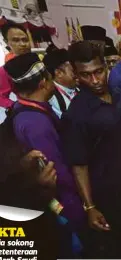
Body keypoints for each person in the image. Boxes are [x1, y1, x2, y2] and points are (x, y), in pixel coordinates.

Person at [62, 41, 121, 258]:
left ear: (106, 66)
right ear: (76, 75)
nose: (95, 80)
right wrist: (90, 207)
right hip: (104, 194)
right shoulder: (77, 114)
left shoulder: (117, 95)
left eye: (98, 71)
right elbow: (79, 164)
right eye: (86, 75)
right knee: (109, 248)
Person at [4, 53, 86, 257]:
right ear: (43, 83)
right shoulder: (35, 123)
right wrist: (83, 202)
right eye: (50, 78)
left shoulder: (25, 108)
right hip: (62, 202)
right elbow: (56, 171)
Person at [0, 22, 31, 109]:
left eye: (25, 40)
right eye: (16, 40)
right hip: (33, 109)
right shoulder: (5, 70)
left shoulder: (37, 59)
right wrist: (15, 106)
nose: (22, 44)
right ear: (7, 42)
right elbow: (1, 97)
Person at [43, 49, 77, 118]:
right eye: (73, 70)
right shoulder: (52, 98)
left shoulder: (79, 88)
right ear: (59, 73)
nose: (77, 74)